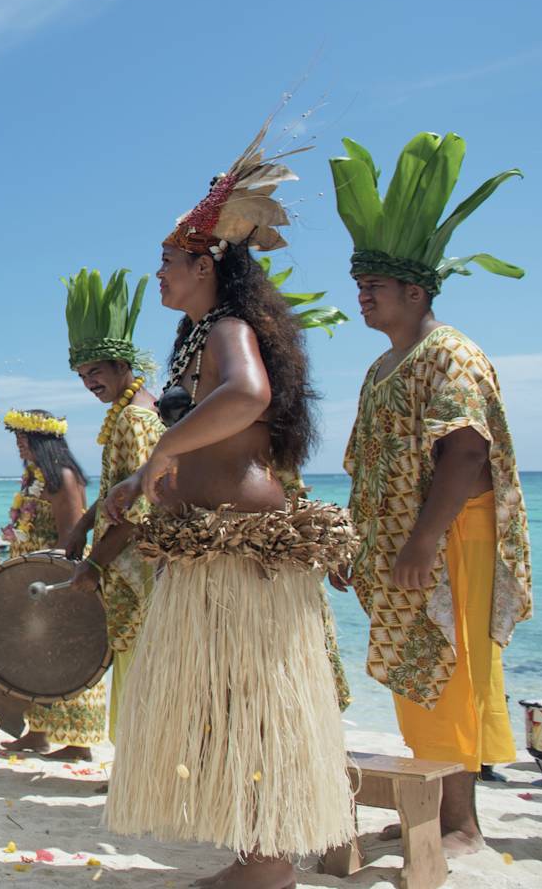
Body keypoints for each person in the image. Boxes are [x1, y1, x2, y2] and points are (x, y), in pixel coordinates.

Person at [96, 125, 358, 888]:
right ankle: (257, 856)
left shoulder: (231, 331)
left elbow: (249, 397)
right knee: (228, 701)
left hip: (241, 547)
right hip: (212, 542)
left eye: (168, 263)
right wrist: (147, 479)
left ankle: (270, 866)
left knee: (253, 700)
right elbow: (208, 424)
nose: (159, 277)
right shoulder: (200, 334)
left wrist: (161, 454)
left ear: (206, 263)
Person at [332, 131, 531, 857]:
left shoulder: (447, 353)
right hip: (404, 547)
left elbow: (466, 449)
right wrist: (351, 546)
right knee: (418, 675)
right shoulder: (386, 363)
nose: (363, 297)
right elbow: (372, 468)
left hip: (449, 538)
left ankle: (462, 825)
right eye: (360, 287)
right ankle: (428, 807)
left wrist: (421, 539)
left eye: (374, 288)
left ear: (414, 292)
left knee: (450, 669)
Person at [61, 269, 162, 740]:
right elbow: (116, 492)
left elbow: (139, 513)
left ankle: (137, 774)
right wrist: (83, 523)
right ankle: (130, 775)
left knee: (142, 666)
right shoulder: (126, 416)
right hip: (126, 569)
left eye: (95, 372)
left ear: (122, 366)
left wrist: (95, 566)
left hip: (137, 574)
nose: (88, 383)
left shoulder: (136, 419)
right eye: (82, 376)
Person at [0, 409, 103, 761]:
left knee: (65, 657)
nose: (18, 445)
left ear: (43, 442)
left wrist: (55, 579)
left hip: (53, 580)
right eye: (17, 439)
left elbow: (71, 537)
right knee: (36, 656)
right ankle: (38, 733)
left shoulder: (64, 478)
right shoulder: (35, 477)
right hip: (32, 580)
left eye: (24, 439)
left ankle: (79, 742)